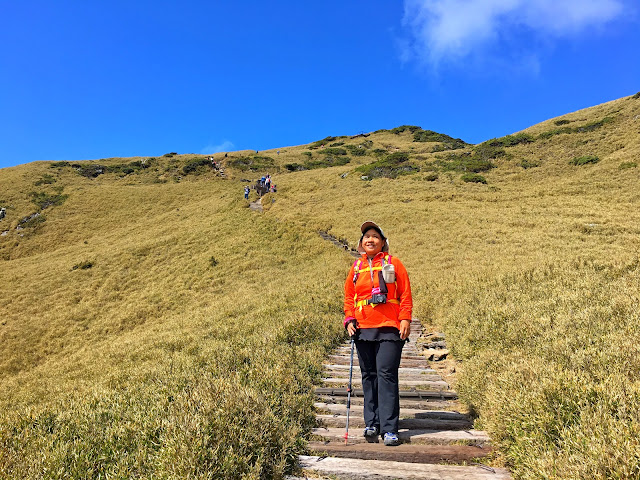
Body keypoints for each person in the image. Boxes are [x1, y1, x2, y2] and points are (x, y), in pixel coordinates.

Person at [343, 221, 412, 447]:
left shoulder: (395, 264)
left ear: (383, 242)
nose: (370, 240)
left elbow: (405, 294)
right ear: (361, 244)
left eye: (374, 236)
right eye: (366, 237)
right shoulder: (355, 268)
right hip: (363, 329)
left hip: (389, 328)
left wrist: (405, 319)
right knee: (369, 376)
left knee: (387, 375)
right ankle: (371, 423)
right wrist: (349, 319)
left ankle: (390, 428)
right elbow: (348, 298)